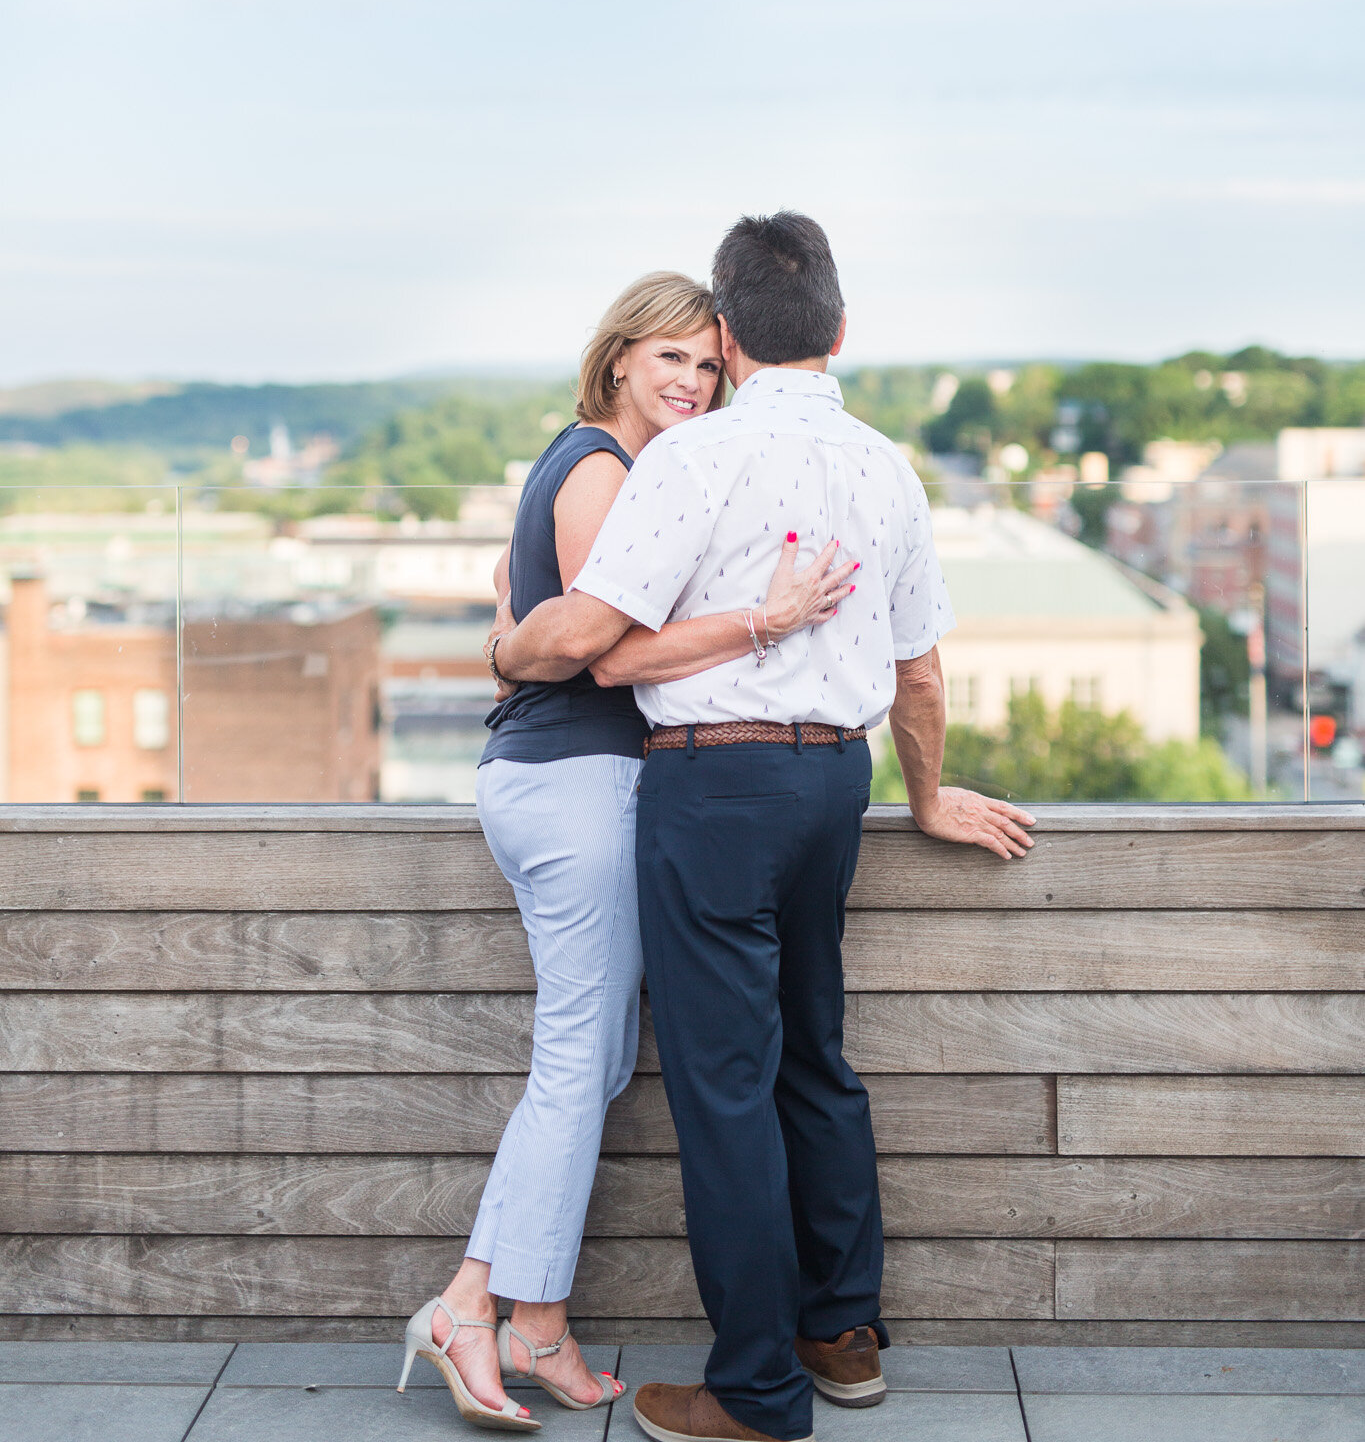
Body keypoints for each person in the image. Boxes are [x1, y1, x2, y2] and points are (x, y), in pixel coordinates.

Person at [489, 213, 1036, 1442]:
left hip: (714, 785)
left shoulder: (690, 461)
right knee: (814, 1052)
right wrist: (929, 796)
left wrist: (509, 642)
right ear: (840, 332)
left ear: (725, 338)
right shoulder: (888, 464)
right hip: (834, 783)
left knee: (722, 1084)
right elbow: (923, 673)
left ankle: (753, 1387)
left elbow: (588, 639)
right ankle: (841, 1336)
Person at [400, 269, 857, 1430]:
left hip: (558, 775)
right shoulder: (606, 468)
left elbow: (538, 610)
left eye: (709, 364)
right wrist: (770, 615)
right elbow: (605, 645)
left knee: (592, 1060)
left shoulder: (591, 459)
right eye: (671, 360)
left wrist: (511, 637)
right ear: (617, 359)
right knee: (576, 1062)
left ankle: (524, 1321)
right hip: (580, 778)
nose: (695, 383)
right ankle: (478, 1304)